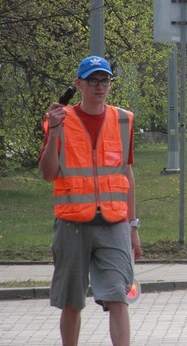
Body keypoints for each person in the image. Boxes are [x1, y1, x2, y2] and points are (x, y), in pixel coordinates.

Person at [39, 55, 142, 346]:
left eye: (105, 80)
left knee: (118, 296)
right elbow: (48, 174)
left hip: (114, 223)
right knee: (72, 301)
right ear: (78, 84)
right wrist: (55, 131)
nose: (100, 86)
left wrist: (133, 227)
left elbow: (127, 175)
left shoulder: (123, 120)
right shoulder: (60, 119)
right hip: (72, 223)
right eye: (93, 80)